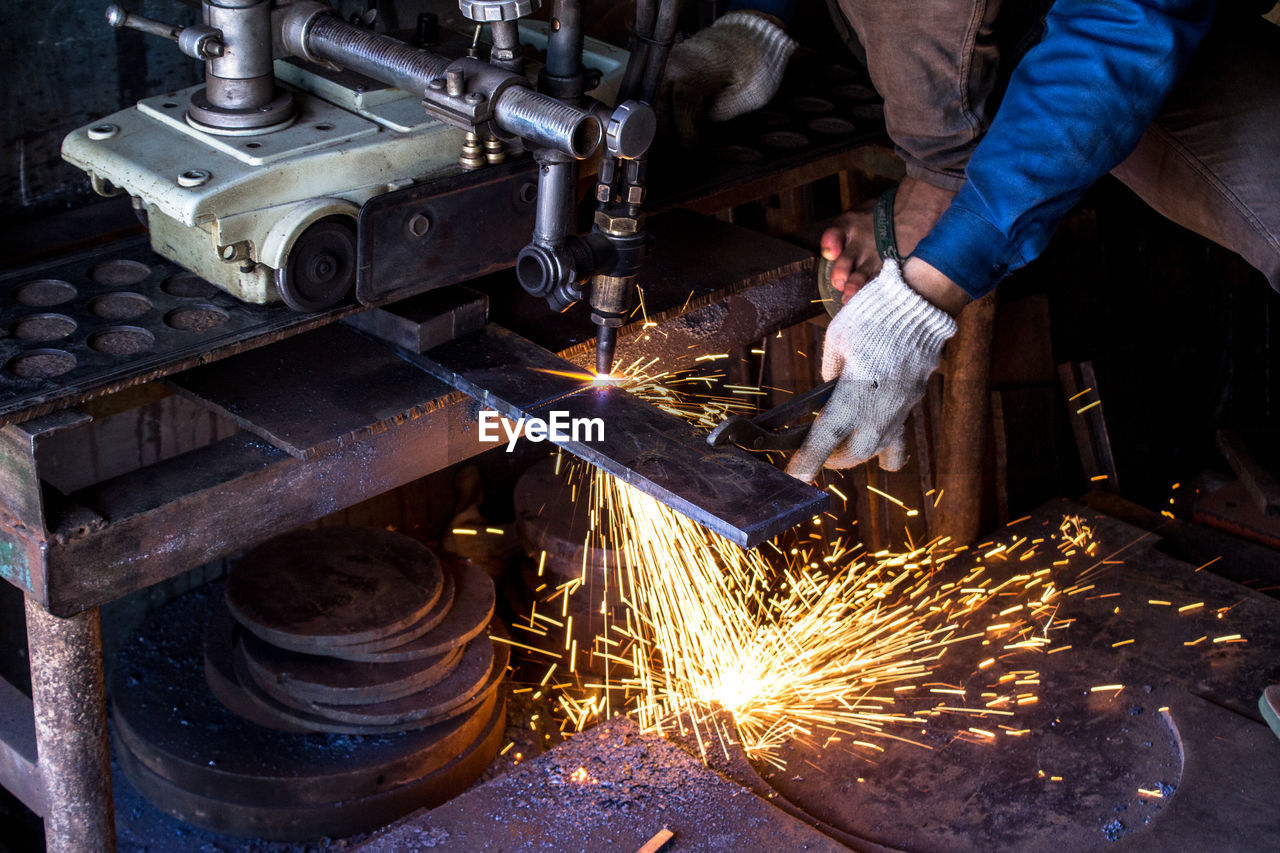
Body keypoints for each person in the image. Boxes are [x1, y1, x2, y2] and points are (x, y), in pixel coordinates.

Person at [661, 0, 1280, 482]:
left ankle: (947, 190)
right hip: (933, 41)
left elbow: (1121, 28)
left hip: (1128, 29)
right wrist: (760, 18)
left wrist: (927, 292)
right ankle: (943, 166)